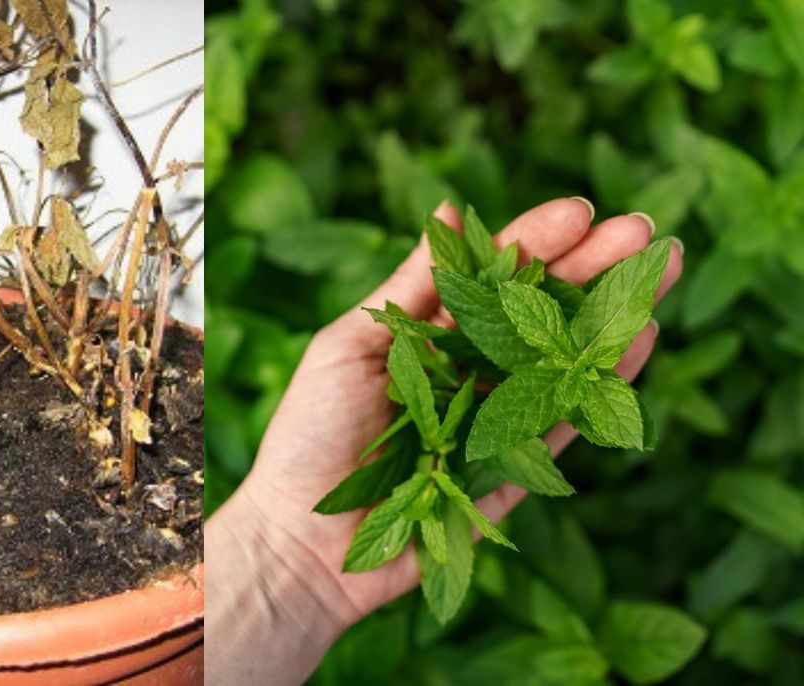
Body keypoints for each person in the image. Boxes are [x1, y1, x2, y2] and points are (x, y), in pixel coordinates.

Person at [204, 198, 685, 685]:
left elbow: (511, 414)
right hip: (486, 398)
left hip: (537, 366)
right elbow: (494, 419)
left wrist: (275, 555)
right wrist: (277, 551)